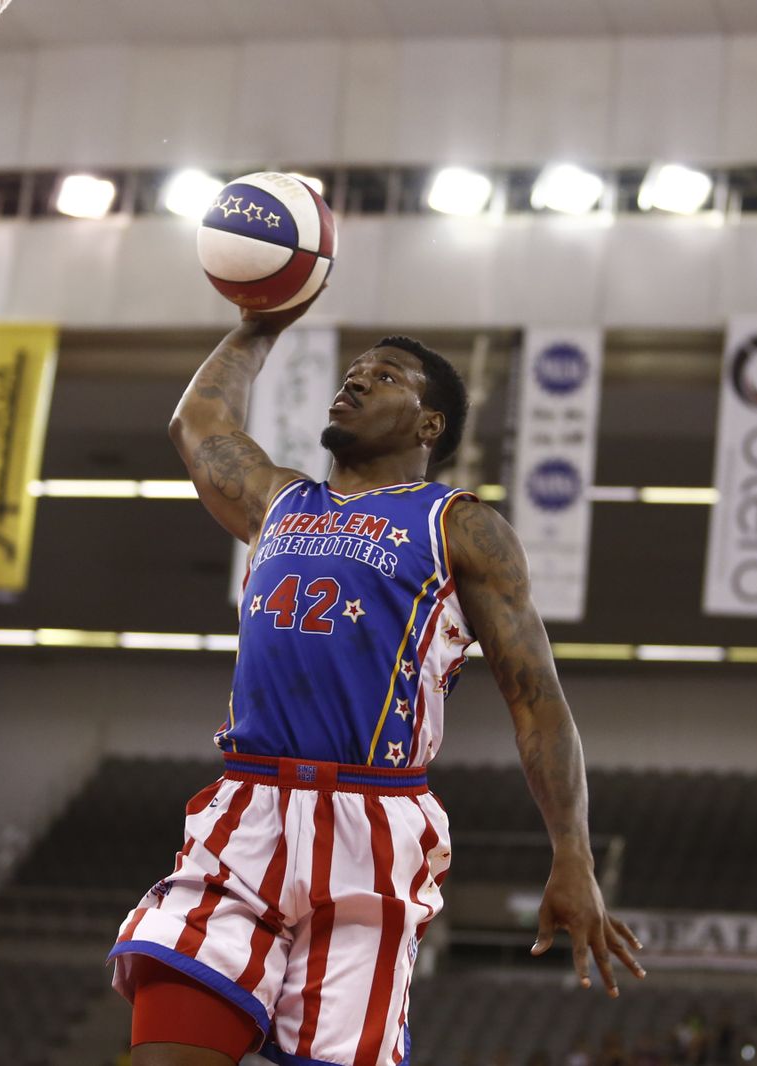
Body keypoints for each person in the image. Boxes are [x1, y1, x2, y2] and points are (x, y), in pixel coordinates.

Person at [107, 296, 644, 1066]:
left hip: (371, 826)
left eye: (383, 377)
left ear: (429, 425)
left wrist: (574, 854)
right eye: (352, 373)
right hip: (247, 810)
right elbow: (199, 425)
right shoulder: (278, 500)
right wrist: (260, 323)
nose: (354, 383)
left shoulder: (460, 526)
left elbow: (537, 700)